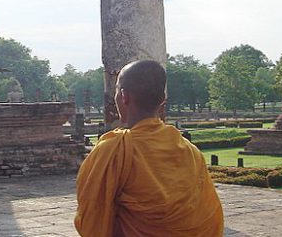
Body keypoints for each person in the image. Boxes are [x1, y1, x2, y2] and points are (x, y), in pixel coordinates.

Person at [75, 59, 223, 236]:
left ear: (124, 96)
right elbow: (206, 216)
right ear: (162, 100)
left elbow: (92, 220)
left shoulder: (111, 151)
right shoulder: (190, 151)